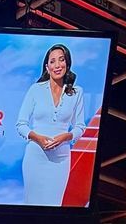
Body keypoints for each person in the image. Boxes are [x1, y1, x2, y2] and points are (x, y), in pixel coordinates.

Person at [16, 44, 85, 206]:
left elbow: (80, 127)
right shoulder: (36, 89)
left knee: (54, 206)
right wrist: (38, 138)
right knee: (32, 205)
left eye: (61, 60)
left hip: (61, 159)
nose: (57, 65)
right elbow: (21, 125)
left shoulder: (76, 92)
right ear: (47, 67)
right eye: (52, 61)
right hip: (35, 157)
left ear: (67, 64)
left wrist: (66, 137)